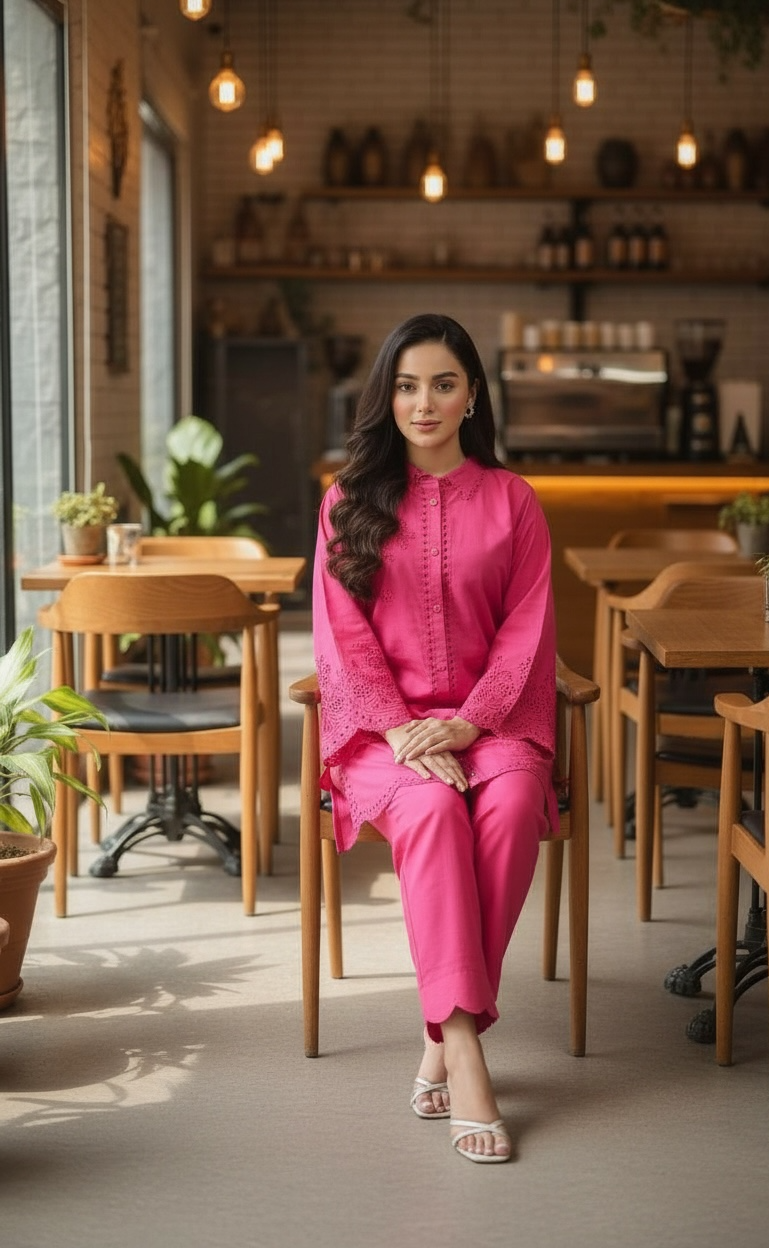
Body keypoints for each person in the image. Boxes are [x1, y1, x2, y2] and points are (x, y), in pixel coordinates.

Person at [312, 313, 557, 1164]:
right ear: (388, 396)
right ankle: (468, 1051)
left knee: (516, 797)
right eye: (408, 385)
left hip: (487, 720)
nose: (425, 402)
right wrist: (404, 726)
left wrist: (470, 720)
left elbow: (528, 629)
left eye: (443, 384)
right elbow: (342, 636)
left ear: (472, 395)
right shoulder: (347, 503)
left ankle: (438, 1042)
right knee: (431, 812)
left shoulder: (514, 501)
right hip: (386, 734)